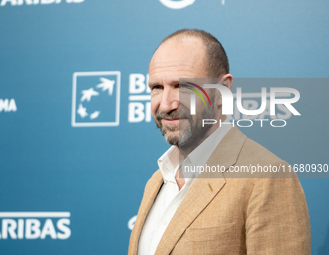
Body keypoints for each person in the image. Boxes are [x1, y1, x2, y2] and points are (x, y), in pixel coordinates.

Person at [128, 29, 310, 255]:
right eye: (157, 87)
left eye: (182, 86)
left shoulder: (266, 178)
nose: (165, 105)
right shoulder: (156, 181)